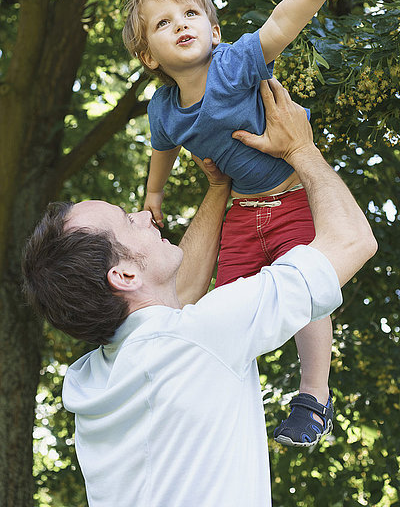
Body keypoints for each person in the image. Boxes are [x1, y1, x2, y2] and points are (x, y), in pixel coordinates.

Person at [22, 79, 377, 507]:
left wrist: (219, 187)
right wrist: (300, 148)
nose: (143, 215)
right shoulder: (200, 338)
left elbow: (179, 295)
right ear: (125, 276)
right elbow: (353, 240)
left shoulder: (91, 383)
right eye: (127, 221)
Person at [121, 0, 366, 445]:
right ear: (149, 55)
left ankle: (313, 395)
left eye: (191, 13)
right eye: (164, 22)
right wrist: (154, 195)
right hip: (241, 211)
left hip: (292, 197)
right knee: (223, 301)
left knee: (307, 287)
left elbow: (281, 23)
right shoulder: (164, 109)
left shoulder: (234, 64)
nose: (181, 24)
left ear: (214, 28)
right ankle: (220, 392)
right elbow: (161, 151)